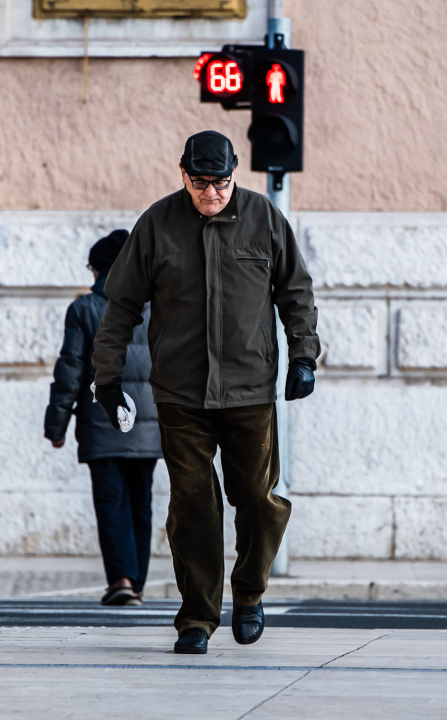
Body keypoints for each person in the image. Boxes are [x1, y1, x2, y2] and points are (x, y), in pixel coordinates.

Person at [91, 131, 320, 654]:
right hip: (180, 394)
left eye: (220, 182)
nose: (211, 193)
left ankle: (249, 593)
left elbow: (296, 291)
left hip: (249, 390)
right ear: (183, 175)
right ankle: (196, 617)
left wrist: (304, 356)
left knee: (259, 503)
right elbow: (120, 304)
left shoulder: (263, 219)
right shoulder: (157, 224)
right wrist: (107, 378)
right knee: (193, 507)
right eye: (200, 183)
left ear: (235, 173)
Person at [44, 229, 162, 607]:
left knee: (111, 503)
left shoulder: (83, 310)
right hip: (148, 427)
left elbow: (70, 372)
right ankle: (137, 583)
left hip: (102, 424)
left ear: (99, 270)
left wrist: (56, 426)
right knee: (141, 504)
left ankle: (122, 580)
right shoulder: (157, 305)